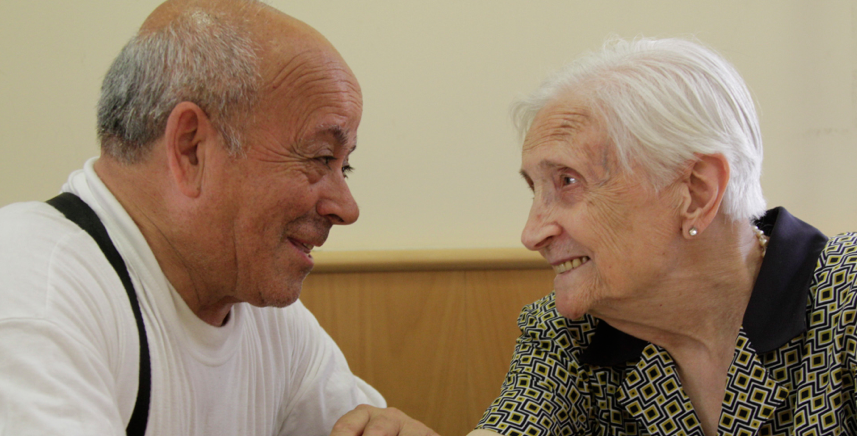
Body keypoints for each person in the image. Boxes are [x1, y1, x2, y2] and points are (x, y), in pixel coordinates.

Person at [0, 1, 435, 434]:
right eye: (321, 157)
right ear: (190, 148)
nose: (347, 208)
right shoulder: (33, 289)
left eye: (346, 166)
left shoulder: (268, 319)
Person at [463, 36, 857, 436]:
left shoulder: (848, 297)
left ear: (697, 193)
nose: (532, 234)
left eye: (568, 180)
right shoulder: (568, 334)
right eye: (535, 189)